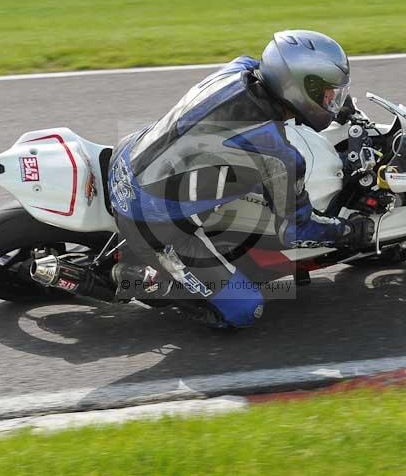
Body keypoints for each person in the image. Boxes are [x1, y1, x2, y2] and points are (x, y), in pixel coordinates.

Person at [108, 30, 374, 328]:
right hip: (149, 220)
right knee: (245, 309)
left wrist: (341, 108)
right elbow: (295, 231)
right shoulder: (278, 154)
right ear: (298, 87)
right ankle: (143, 281)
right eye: (328, 95)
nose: (333, 101)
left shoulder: (243, 67)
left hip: (131, 152)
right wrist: (347, 231)